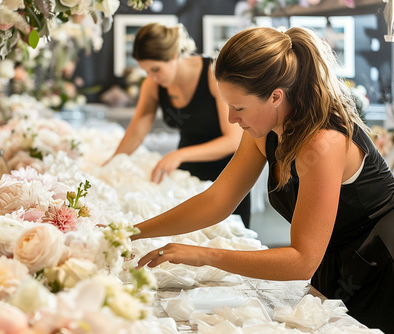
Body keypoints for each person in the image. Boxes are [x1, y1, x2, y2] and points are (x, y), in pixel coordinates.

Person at [133, 26, 394, 333]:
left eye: (238, 107)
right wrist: (132, 232)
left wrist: (205, 255)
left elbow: (301, 260)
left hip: (381, 266)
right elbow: (218, 200)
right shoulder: (264, 130)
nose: (231, 118)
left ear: (275, 96)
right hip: (336, 263)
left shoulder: (322, 144)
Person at [107, 22, 251, 227]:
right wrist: (112, 163)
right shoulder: (153, 84)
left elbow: (233, 141)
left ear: (174, 56)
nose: (152, 77)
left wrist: (179, 155)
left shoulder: (213, 74)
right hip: (187, 170)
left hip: (228, 171)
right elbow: (137, 130)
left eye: (156, 69)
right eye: (146, 71)